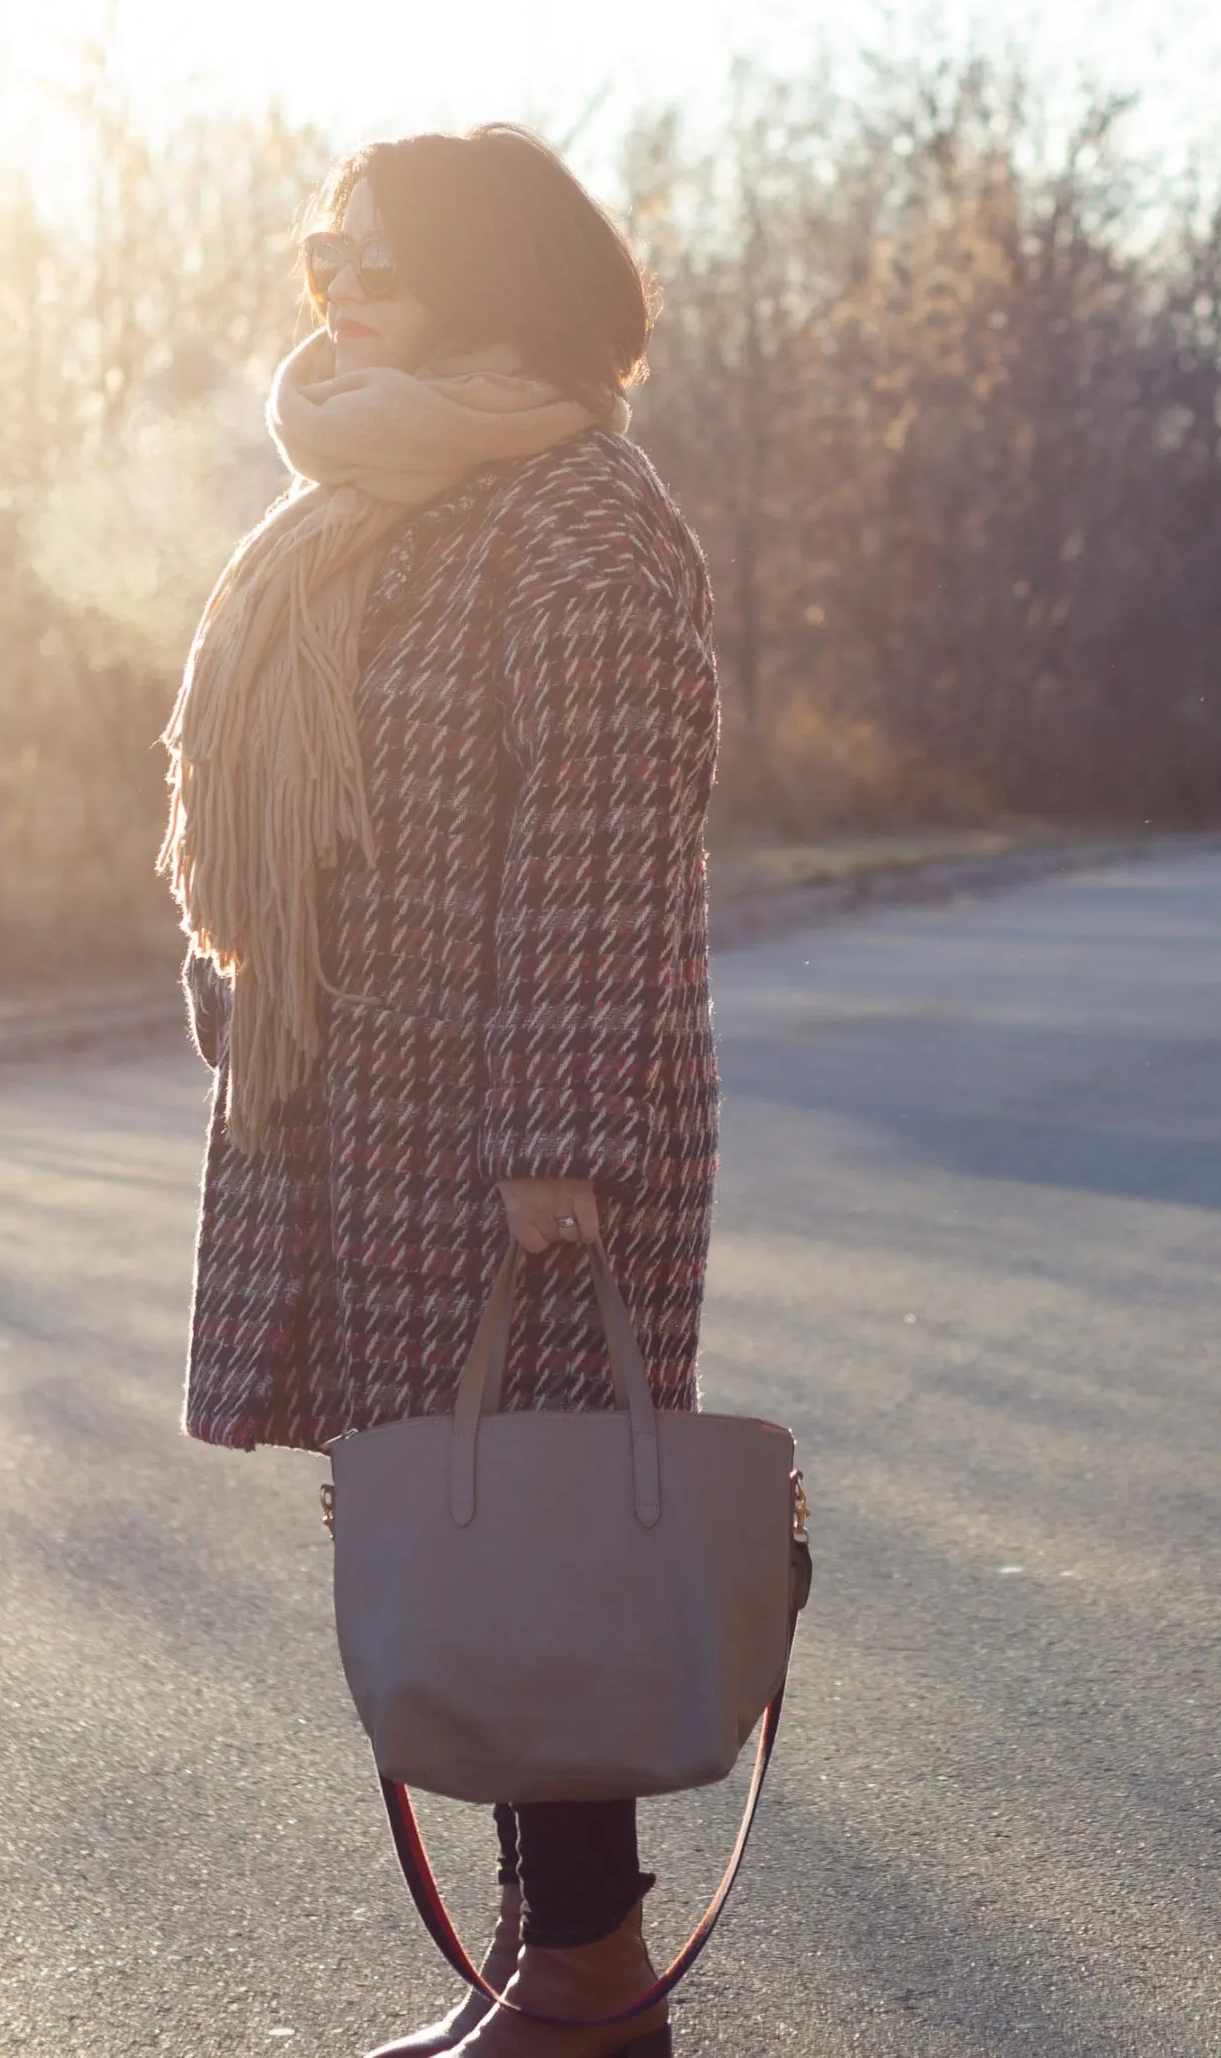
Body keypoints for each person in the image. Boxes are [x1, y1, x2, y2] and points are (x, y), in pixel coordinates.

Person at [160, 122, 721, 2058]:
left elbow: (601, 847)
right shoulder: (368, 493)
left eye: (377, 252)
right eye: (323, 247)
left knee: (531, 1528)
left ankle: (581, 1972)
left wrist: (555, 1148)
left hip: (513, 1138)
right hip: (358, 1108)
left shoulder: (585, 510)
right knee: (457, 1522)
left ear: (492, 269)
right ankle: (547, 1963)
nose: (336, 279)